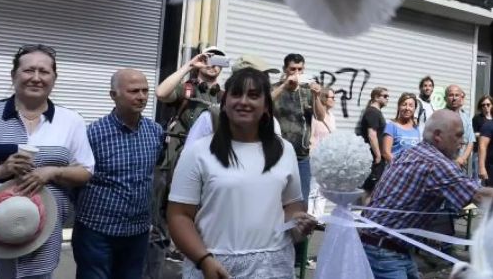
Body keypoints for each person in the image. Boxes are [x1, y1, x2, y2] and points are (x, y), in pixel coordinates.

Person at [0, 44, 95, 278]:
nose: (36, 78)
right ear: (13, 76)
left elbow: (85, 170)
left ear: (54, 78)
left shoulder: (71, 121)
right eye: (28, 70)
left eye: (44, 72)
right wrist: (1, 170)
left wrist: (52, 172)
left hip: (36, 243)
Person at [167, 68, 317, 279]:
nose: (243, 101)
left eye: (254, 96)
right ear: (225, 102)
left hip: (273, 267)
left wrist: (298, 221)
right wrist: (204, 259)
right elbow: (179, 215)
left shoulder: (285, 150)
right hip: (215, 266)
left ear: (266, 106)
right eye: (236, 94)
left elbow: (291, 204)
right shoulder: (198, 151)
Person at [361, 110, 493, 279]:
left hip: (387, 246)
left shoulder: (410, 152)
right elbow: (478, 197)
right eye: (458, 135)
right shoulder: (436, 164)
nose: (462, 142)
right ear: (438, 136)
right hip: (385, 251)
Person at [73, 69, 164, 279]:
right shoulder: (93, 133)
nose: (141, 96)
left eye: (145, 91)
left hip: (137, 233)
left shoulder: (155, 131)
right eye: (134, 91)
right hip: (96, 231)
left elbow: (153, 174)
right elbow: (77, 178)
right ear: (113, 95)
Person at [149, 46, 227, 274]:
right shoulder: (188, 88)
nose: (213, 64)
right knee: (164, 216)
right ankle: (157, 269)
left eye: (218, 60)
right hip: (176, 160)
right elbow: (162, 93)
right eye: (209, 58)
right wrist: (190, 66)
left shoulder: (224, 97)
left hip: (209, 163)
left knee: (198, 215)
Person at [271, 53, 324, 204]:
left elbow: (320, 116)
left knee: (302, 201)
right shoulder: (276, 88)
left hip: (302, 155)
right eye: (292, 69)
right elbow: (263, 105)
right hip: (278, 154)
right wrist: (284, 85)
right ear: (285, 69)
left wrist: (316, 96)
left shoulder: (307, 91)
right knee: (277, 200)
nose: (296, 73)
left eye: (300, 69)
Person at [308, 87, 337, 219]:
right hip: (315, 155)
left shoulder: (332, 116)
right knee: (313, 188)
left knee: (322, 188)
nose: (334, 100)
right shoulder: (315, 115)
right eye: (332, 97)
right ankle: (309, 215)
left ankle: (318, 217)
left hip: (327, 157)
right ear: (324, 98)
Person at [358, 87, 389, 196]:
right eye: (384, 96)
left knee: (375, 189)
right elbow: (372, 135)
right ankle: (367, 212)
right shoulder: (373, 112)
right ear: (376, 97)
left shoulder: (375, 112)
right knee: (371, 189)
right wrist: (378, 155)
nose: (387, 99)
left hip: (376, 157)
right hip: (373, 158)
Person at [381, 93, 420, 163]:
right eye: (404, 105)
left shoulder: (417, 128)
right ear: (399, 107)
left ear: (414, 109)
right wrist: (399, 167)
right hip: (396, 170)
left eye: (411, 105)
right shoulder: (391, 126)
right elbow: (386, 153)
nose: (407, 108)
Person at [444, 85, 475, 173]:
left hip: (462, 164)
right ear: (445, 98)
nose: (454, 98)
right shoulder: (439, 116)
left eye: (456, 95)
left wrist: (463, 158)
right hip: (445, 163)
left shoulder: (466, 118)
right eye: (451, 95)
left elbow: (470, 141)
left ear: (461, 97)